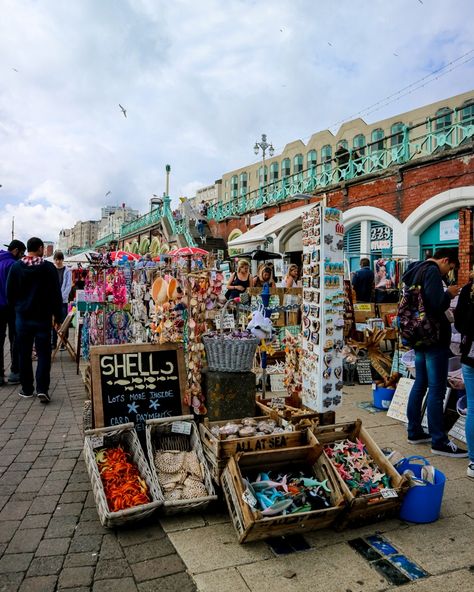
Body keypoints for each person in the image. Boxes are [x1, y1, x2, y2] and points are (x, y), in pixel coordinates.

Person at [404, 248, 467, 457]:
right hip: (434, 339)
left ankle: (414, 431)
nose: (448, 273)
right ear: (445, 260)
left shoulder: (416, 269)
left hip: (420, 337)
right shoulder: (431, 271)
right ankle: (439, 440)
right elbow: (435, 304)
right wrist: (449, 293)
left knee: (420, 384)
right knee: (437, 390)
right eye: (450, 268)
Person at [7, 237, 62, 403]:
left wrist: (16, 309)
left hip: (22, 318)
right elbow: (56, 294)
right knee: (44, 354)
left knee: (24, 353)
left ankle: (26, 388)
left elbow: (10, 293)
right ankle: (42, 389)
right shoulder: (49, 268)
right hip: (43, 319)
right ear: (40, 248)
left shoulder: (16, 268)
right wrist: (57, 316)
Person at [454, 270, 474, 477]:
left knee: (473, 407)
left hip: (469, 355)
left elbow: (459, 324)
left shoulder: (467, 290)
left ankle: (473, 462)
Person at [0, 239, 26, 386]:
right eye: (21, 254)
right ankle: (15, 372)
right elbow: (19, 288)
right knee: (15, 338)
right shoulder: (13, 265)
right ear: (16, 251)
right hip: (12, 307)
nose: (22, 257)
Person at [51, 251, 72, 350]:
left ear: (62, 260)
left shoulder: (67, 271)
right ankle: (53, 342)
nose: (57, 261)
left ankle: (64, 342)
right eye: (56, 259)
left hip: (63, 301)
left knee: (64, 321)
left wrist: (62, 297)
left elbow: (68, 286)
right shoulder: (52, 270)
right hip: (53, 300)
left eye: (59, 259)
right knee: (54, 321)